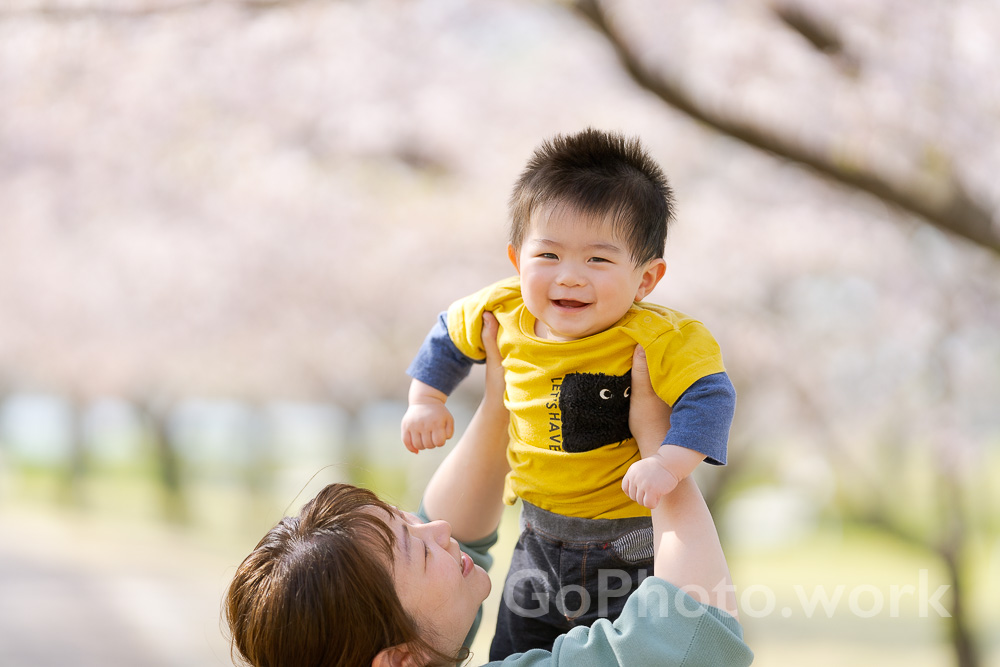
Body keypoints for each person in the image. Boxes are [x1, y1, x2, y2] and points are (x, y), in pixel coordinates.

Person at [224, 313, 753, 666]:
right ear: (402, 660)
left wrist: (507, 400)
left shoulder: (398, 644)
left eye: (406, 518)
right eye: (415, 546)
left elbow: (455, 531)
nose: (438, 527)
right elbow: (688, 638)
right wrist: (659, 448)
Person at [401, 129, 736, 656]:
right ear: (517, 259)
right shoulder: (503, 309)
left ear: (647, 279)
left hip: (627, 540)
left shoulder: (660, 336)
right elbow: (448, 332)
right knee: (514, 650)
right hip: (537, 537)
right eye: (549, 256)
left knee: (641, 647)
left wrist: (668, 462)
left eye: (599, 261)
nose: (570, 278)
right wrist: (427, 399)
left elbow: (711, 396)